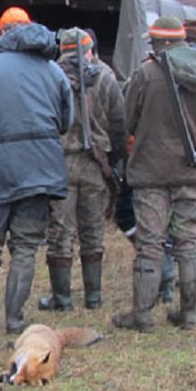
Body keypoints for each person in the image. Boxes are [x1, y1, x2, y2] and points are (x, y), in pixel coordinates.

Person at [0, 7, 73, 336]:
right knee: (25, 249)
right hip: (41, 173)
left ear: (3, 33)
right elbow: (66, 121)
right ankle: (15, 321)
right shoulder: (55, 71)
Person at [112, 16, 196, 332]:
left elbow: (127, 121)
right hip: (192, 171)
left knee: (150, 243)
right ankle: (188, 315)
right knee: (189, 243)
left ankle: (143, 316)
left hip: (150, 173)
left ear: (160, 44)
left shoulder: (146, 75)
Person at [39, 28, 126, 312]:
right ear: (90, 50)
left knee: (60, 231)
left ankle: (62, 300)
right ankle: (93, 297)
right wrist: (116, 160)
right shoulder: (106, 76)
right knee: (93, 229)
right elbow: (118, 123)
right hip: (96, 164)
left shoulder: (49, 75)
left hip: (58, 162)